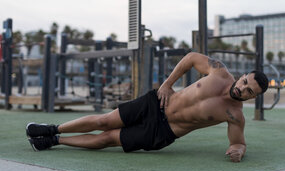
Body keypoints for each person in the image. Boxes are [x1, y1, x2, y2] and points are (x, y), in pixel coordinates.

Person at [26, 52, 268, 162]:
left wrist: (238, 151)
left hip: (164, 131)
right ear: (243, 75)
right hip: (158, 102)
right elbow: (191, 58)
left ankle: (55, 141)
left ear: (252, 97)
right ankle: (52, 128)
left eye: (249, 92)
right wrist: (166, 84)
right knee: (105, 121)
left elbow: (238, 142)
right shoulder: (219, 71)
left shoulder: (235, 116)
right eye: (245, 82)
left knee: (108, 139)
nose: (242, 89)